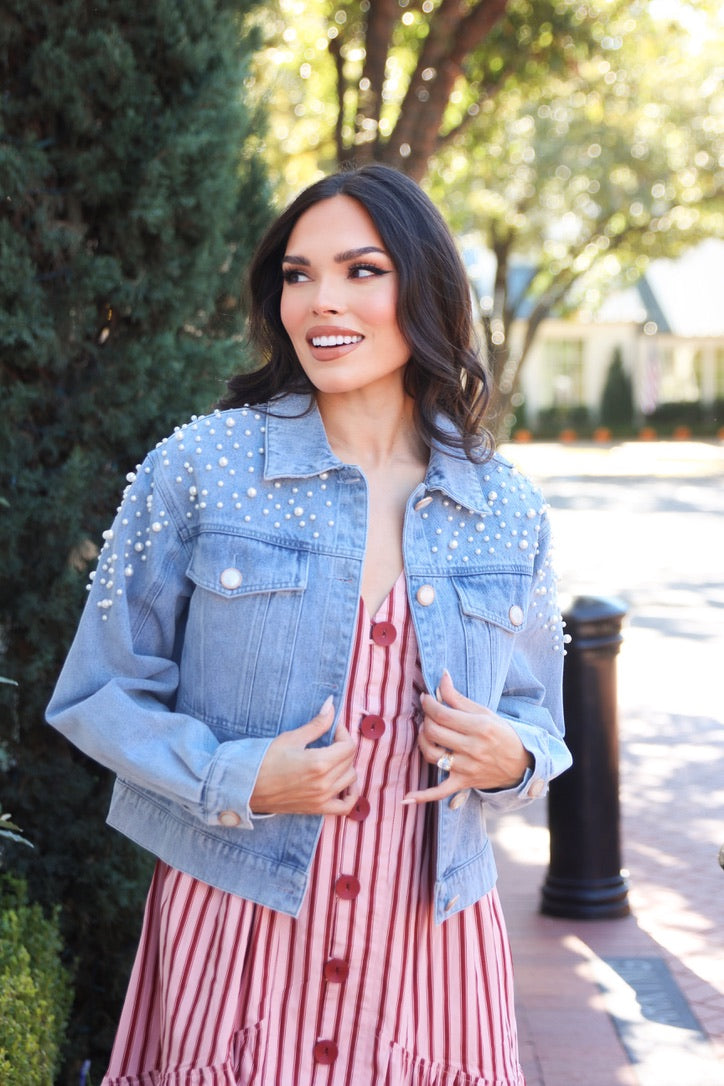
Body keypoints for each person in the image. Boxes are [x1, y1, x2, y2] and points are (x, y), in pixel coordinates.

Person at [47, 163, 572, 1086]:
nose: (322, 300)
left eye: (362, 270)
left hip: (429, 953)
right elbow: (98, 693)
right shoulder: (200, 469)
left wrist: (513, 758)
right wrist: (236, 775)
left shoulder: (506, 507)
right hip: (237, 934)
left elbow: (540, 719)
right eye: (299, 275)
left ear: (425, 287)